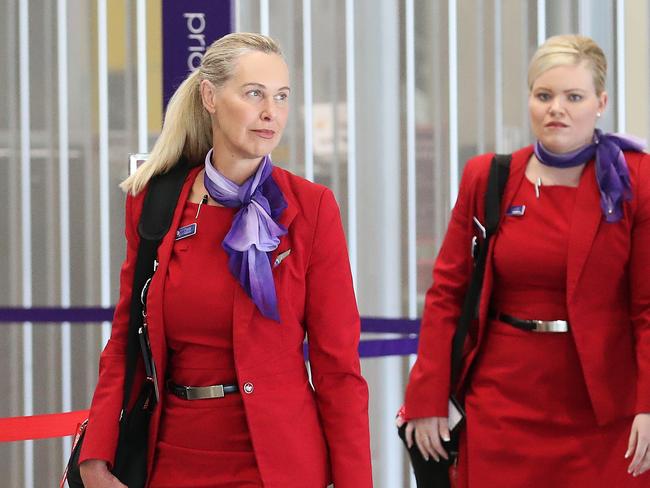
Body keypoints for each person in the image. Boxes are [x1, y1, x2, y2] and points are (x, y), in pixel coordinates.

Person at [78, 32, 372, 488]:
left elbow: (339, 369)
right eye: (254, 94)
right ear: (210, 97)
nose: (271, 113)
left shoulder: (310, 208)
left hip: (280, 463)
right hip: (174, 455)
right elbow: (125, 342)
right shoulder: (153, 203)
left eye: (281, 97)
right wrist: (95, 455)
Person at [401, 34, 650, 487]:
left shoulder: (634, 180)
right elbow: (447, 295)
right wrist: (426, 398)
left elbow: (647, 309)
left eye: (574, 96)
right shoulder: (489, 176)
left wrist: (648, 404)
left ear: (601, 102)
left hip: (603, 410)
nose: (557, 108)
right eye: (544, 95)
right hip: (502, 402)